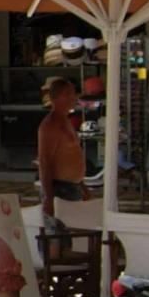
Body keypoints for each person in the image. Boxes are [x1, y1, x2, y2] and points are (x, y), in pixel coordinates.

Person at [36, 75, 87, 218]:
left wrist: (82, 186)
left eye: (73, 93)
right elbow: (45, 161)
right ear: (56, 98)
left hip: (72, 187)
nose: (73, 98)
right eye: (68, 94)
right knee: (60, 234)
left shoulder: (66, 121)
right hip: (60, 188)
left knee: (73, 233)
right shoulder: (50, 125)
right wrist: (48, 197)